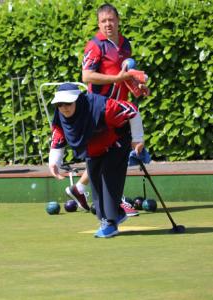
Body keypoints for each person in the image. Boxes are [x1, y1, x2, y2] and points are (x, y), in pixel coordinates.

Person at [65, 3, 149, 216]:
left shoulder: (125, 44)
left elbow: (125, 76)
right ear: (98, 23)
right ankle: (113, 205)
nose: (108, 24)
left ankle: (84, 190)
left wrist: (137, 87)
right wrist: (117, 78)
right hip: (99, 110)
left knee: (111, 155)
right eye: (103, 21)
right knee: (109, 156)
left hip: (119, 110)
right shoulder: (94, 46)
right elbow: (87, 76)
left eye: (111, 20)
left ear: (118, 21)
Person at [48, 83, 145, 238]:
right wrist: (55, 161)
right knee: (95, 181)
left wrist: (137, 139)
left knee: (108, 177)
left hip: (116, 142)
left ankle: (110, 223)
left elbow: (132, 110)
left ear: (78, 100)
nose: (64, 107)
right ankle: (116, 214)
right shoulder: (61, 116)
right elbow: (58, 134)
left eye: (68, 103)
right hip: (94, 149)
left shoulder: (103, 107)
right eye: (60, 104)